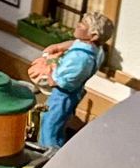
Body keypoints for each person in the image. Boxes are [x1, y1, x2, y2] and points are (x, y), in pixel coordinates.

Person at [31, 10, 116, 148]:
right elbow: (75, 43)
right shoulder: (95, 49)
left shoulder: (79, 59)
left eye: (82, 24)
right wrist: (58, 47)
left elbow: (55, 81)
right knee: (58, 122)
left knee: (50, 125)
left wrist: (50, 63)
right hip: (75, 92)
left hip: (62, 96)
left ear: (93, 36)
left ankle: (50, 153)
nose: (77, 25)